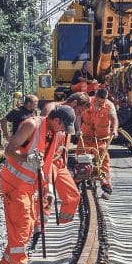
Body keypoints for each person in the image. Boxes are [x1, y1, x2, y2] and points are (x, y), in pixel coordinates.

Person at [0, 106, 75, 264]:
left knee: (28, 223)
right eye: (63, 126)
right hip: (15, 183)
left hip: (31, 185)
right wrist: (28, 158)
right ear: (56, 121)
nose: (64, 131)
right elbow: (9, 151)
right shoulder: (31, 125)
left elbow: (46, 164)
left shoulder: (55, 134)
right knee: (22, 225)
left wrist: (47, 189)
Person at [40, 93, 90, 224]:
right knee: (46, 195)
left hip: (60, 161)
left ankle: (63, 223)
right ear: (74, 103)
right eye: (79, 110)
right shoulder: (52, 110)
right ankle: (39, 225)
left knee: (73, 196)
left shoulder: (69, 115)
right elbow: (42, 135)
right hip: (49, 161)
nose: (79, 114)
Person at [78, 89, 118, 195]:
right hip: (86, 136)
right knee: (80, 157)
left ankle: (106, 184)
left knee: (103, 159)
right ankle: (77, 180)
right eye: (99, 101)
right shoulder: (87, 102)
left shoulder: (109, 106)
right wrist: (77, 129)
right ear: (95, 97)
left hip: (101, 138)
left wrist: (114, 130)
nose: (101, 103)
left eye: (103, 101)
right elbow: (78, 116)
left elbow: (114, 119)